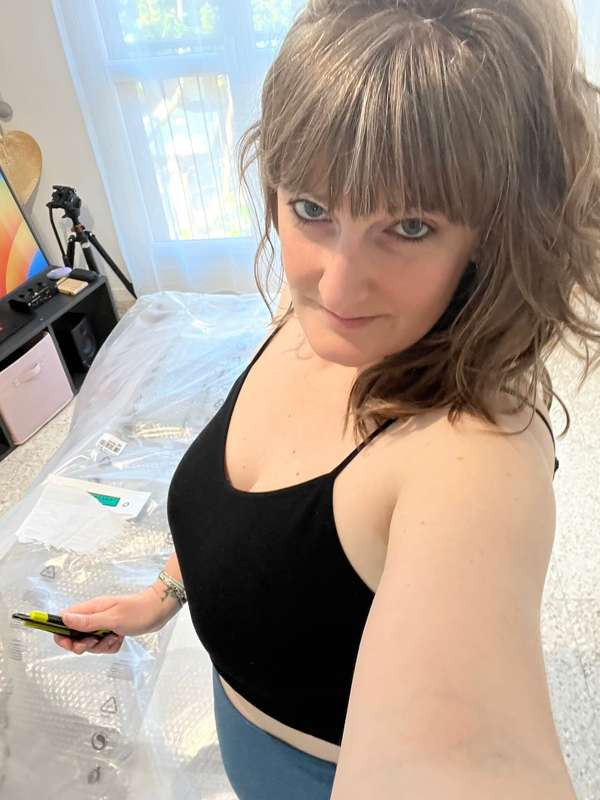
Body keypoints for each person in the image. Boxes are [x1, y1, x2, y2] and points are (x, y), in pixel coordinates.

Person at [53, 0, 600, 797]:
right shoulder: (309, 311)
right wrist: (161, 597)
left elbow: (471, 760)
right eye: (312, 209)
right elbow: (257, 524)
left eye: (409, 228)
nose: (337, 286)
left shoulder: (478, 460)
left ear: (491, 234)